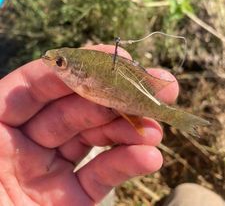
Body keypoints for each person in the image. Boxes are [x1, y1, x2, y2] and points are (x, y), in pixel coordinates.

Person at [1, 44, 223, 206]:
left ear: (79, 70)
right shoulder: (77, 74)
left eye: (60, 63)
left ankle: (181, 120)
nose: (53, 64)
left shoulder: (82, 78)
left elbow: (91, 90)